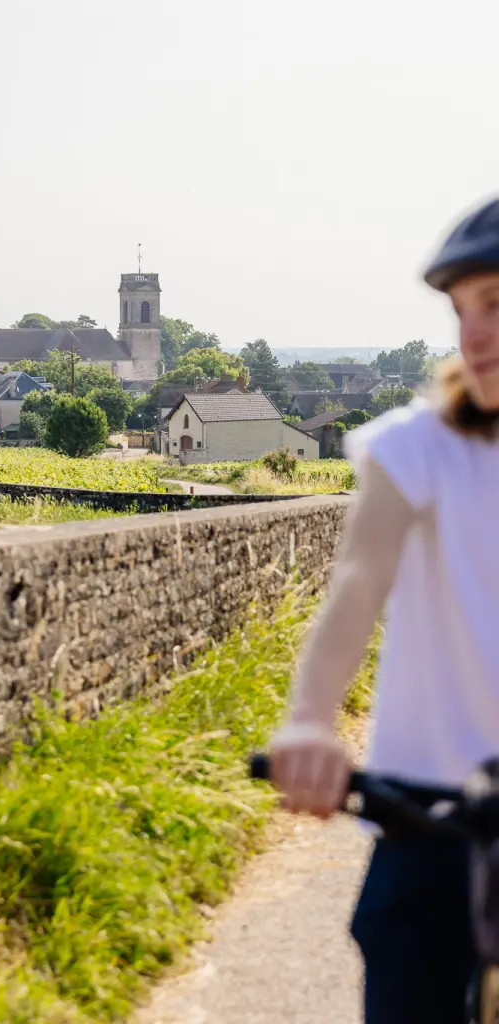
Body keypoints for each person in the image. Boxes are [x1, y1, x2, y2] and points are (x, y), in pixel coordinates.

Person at [268, 197, 499, 1023]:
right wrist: (308, 722)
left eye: (496, 306)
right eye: (461, 311)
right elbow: (357, 585)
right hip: (429, 823)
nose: (472, 336)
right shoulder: (420, 448)